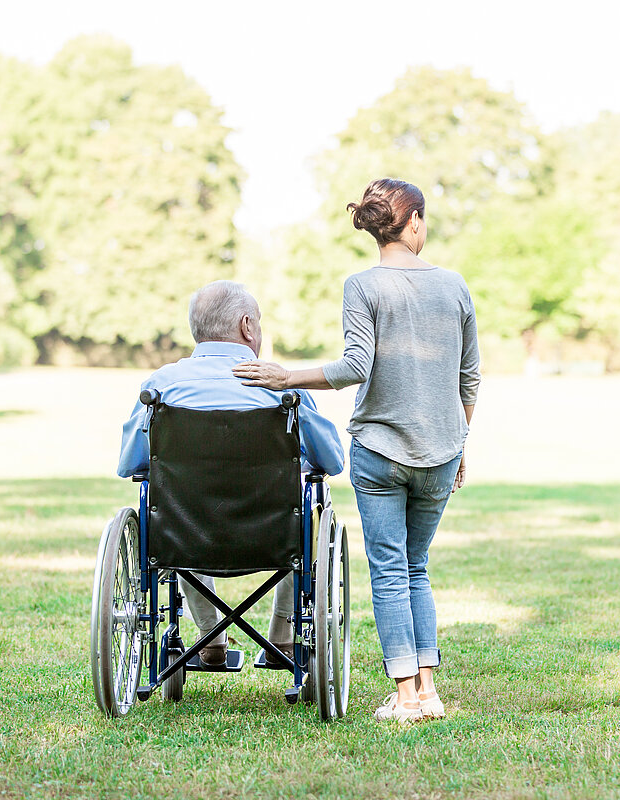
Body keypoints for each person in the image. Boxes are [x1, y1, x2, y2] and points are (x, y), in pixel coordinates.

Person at [234, 178, 479, 723]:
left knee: (390, 569)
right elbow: (470, 378)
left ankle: (406, 696)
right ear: (412, 221)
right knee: (416, 566)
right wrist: (460, 444)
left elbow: (354, 368)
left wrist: (285, 376)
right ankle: (428, 691)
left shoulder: (361, 286)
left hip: (380, 450)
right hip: (441, 450)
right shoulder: (455, 286)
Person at [118, 280, 344, 668]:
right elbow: (334, 462)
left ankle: (210, 641)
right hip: (273, 535)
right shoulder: (280, 389)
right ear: (247, 326)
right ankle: (284, 640)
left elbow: (130, 466)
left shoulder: (161, 387)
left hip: (186, 535)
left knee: (175, 507)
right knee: (306, 512)